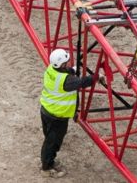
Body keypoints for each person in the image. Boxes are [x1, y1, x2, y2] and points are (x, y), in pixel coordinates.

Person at [39, 48, 96, 178]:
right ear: (62, 65)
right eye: (67, 62)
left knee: (49, 138)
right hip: (57, 117)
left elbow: (64, 74)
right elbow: (82, 82)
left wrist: (72, 70)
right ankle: (47, 167)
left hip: (46, 110)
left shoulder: (50, 69)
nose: (69, 63)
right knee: (52, 143)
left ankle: (47, 161)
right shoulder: (66, 81)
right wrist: (95, 77)